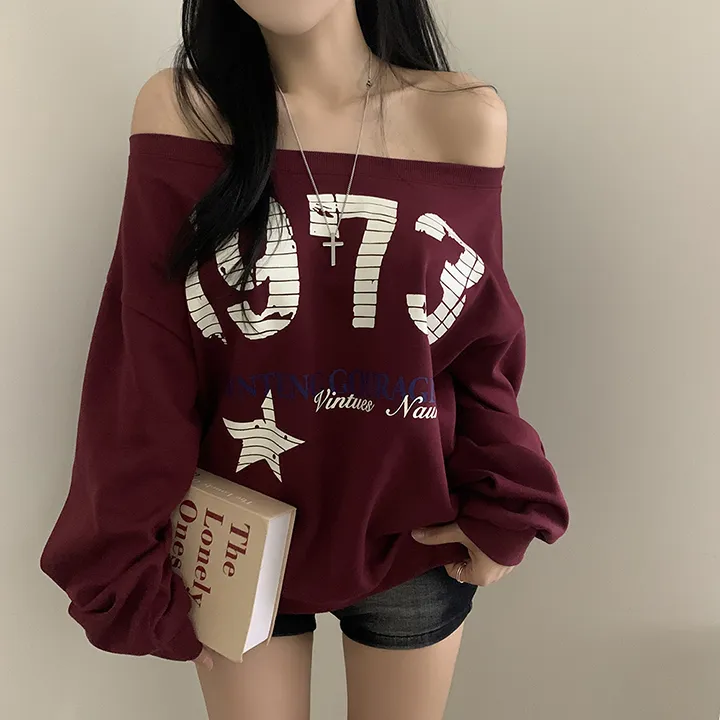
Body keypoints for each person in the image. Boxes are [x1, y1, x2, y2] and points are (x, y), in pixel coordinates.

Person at [40, 1, 570, 718]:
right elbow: (146, 356)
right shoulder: (183, 112)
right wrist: (122, 549)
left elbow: (480, 344)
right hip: (236, 540)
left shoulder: (463, 117)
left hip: (409, 532)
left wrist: (506, 501)